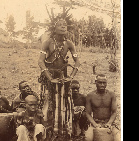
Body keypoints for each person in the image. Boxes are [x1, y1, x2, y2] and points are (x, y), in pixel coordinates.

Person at [38, 7, 80, 136]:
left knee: (64, 103)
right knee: (48, 102)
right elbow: (40, 61)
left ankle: (62, 132)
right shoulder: (47, 43)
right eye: (60, 25)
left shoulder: (69, 44)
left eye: (65, 25)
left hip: (64, 77)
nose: (63, 27)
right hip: (49, 77)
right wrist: (50, 78)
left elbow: (77, 62)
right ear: (54, 28)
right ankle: (46, 131)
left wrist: (71, 77)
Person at [85, 74, 120, 141]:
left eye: (104, 83)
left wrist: (109, 123)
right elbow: (88, 113)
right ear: (95, 82)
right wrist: (95, 124)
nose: (102, 85)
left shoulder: (111, 95)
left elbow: (114, 112)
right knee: (88, 138)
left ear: (106, 83)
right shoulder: (90, 96)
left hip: (109, 123)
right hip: (96, 122)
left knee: (118, 138)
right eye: (100, 82)